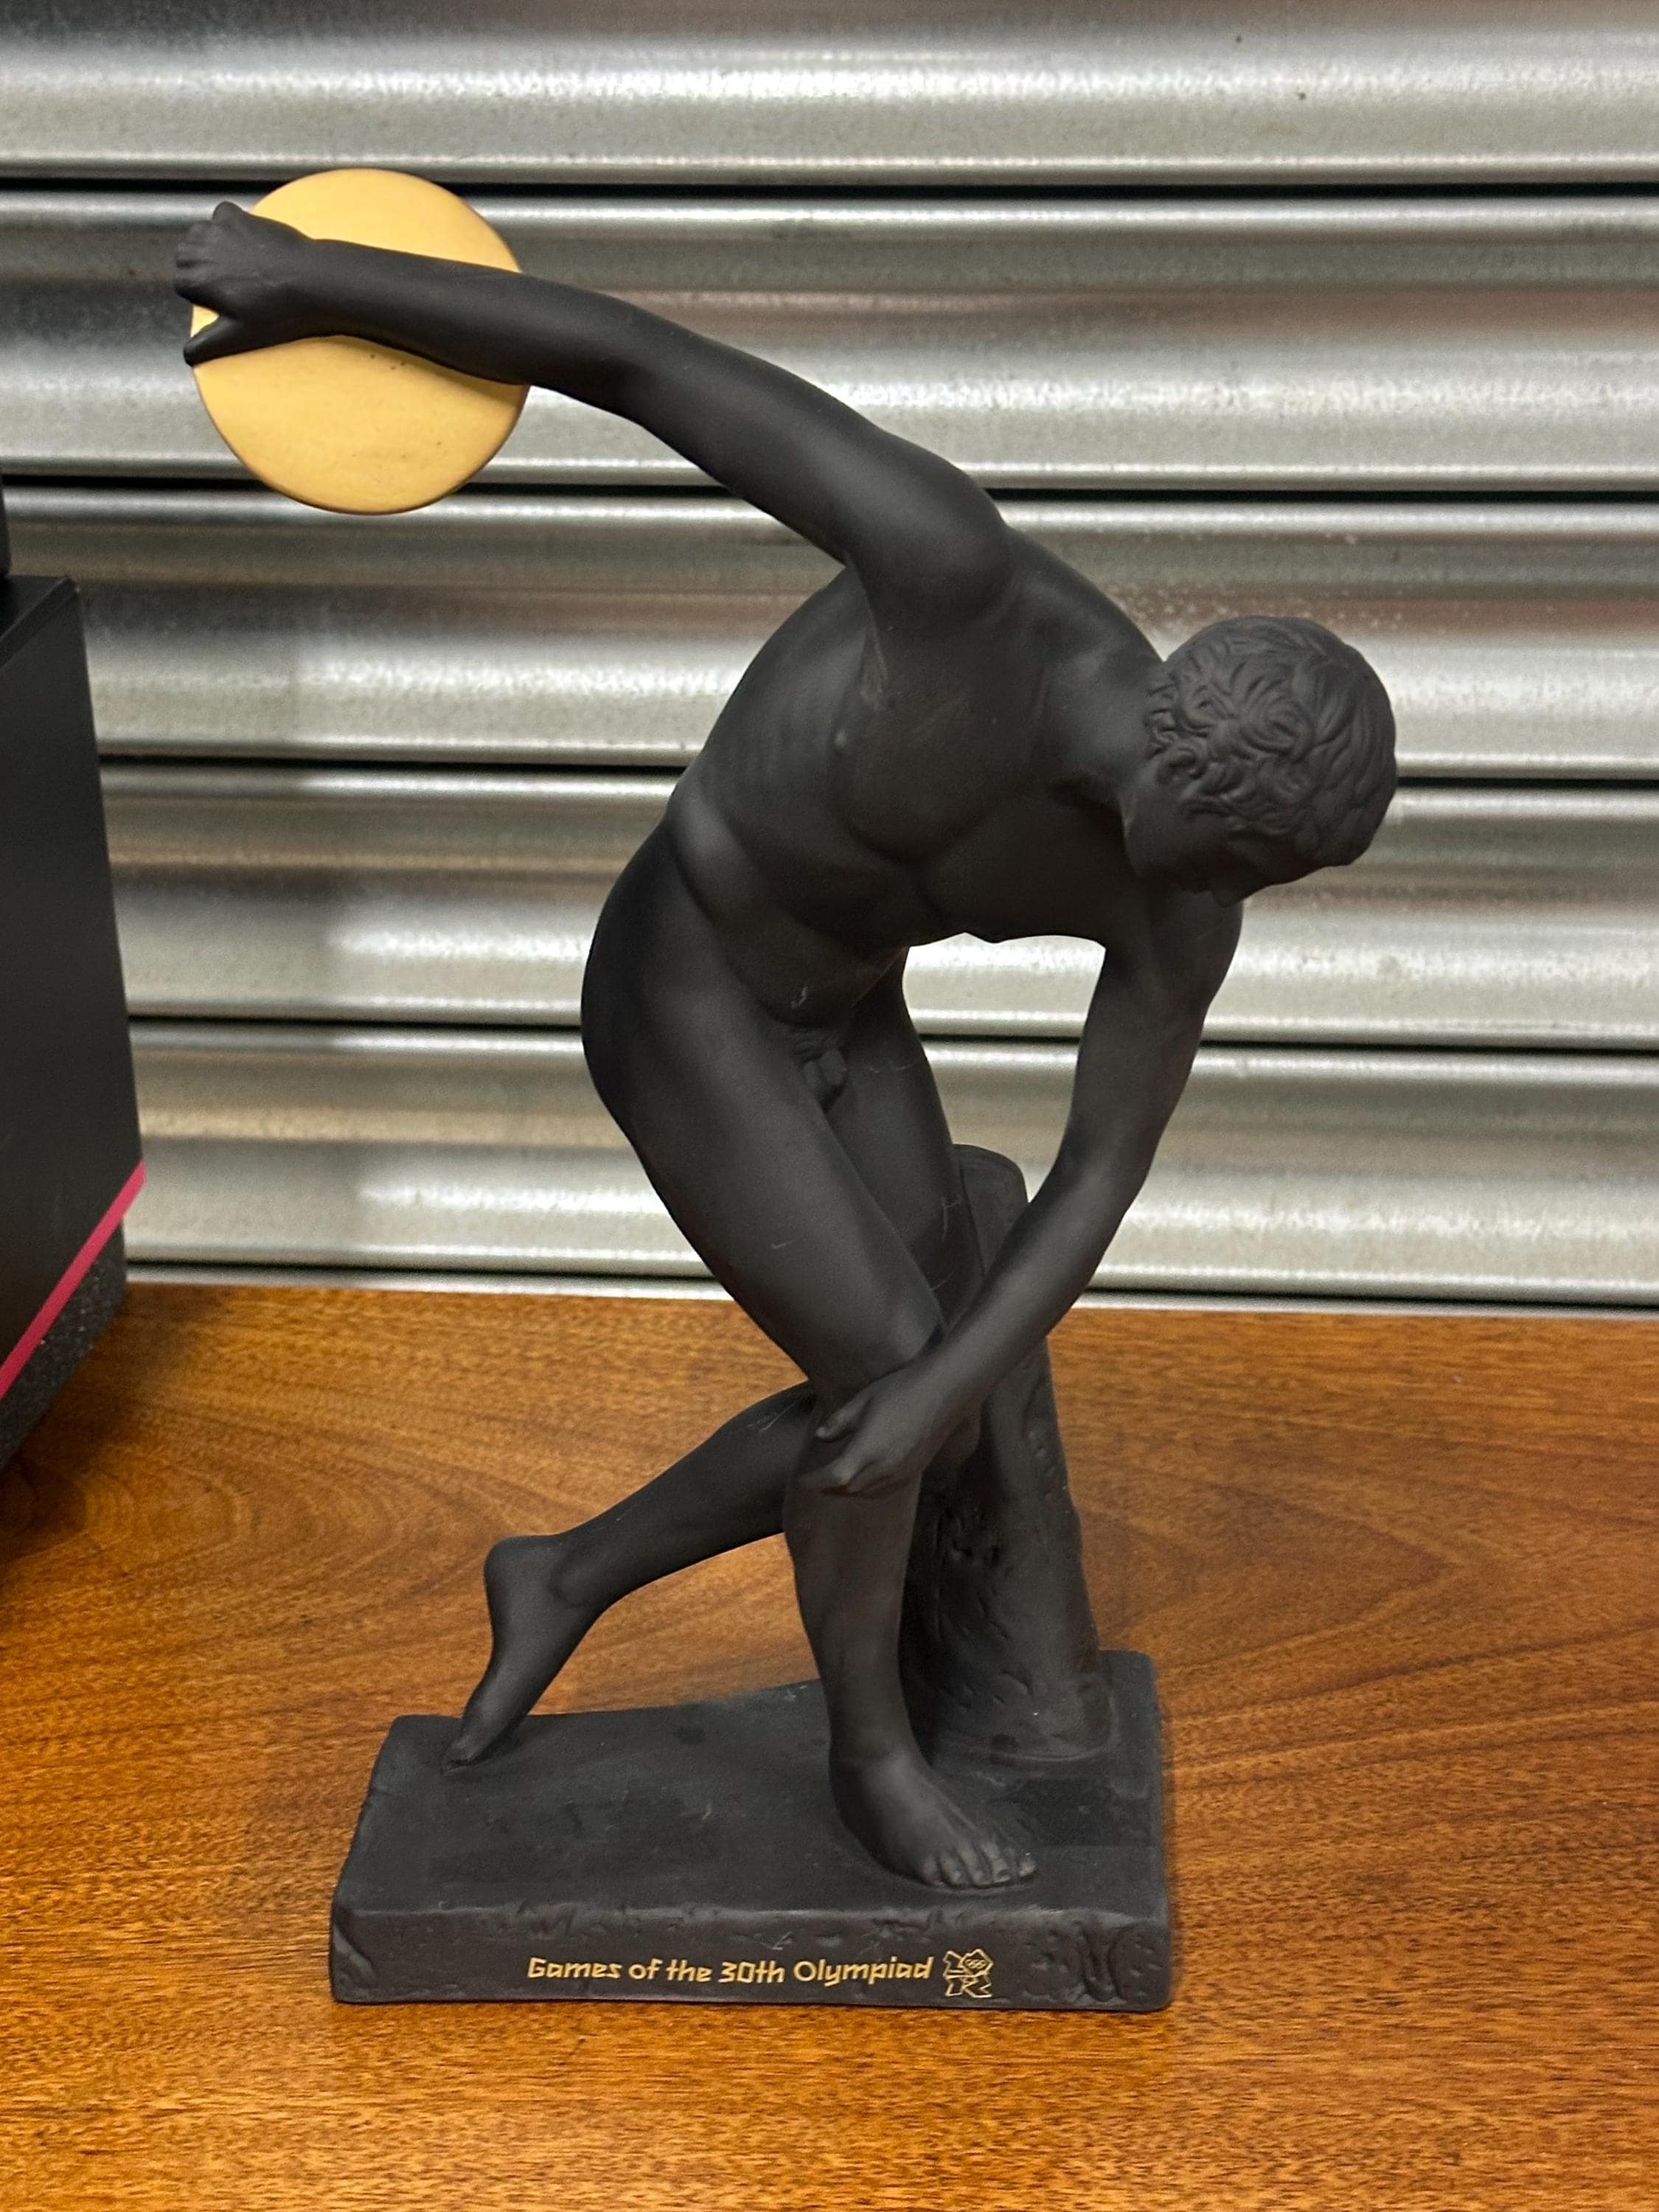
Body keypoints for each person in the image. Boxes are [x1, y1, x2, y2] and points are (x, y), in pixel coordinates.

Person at [177, 204, 1396, 1891]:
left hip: (847, 1013)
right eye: (1244, 860)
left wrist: (950, 1389)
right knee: (893, 1379)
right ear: (1190, 765)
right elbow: (635, 360)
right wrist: (313, 276)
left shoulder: (1185, 903)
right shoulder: (959, 583)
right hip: (684, 979)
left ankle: (567, 1572)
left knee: (925, 1403)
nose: (1235, 905)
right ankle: (870, 1760)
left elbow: (1104, 1163)